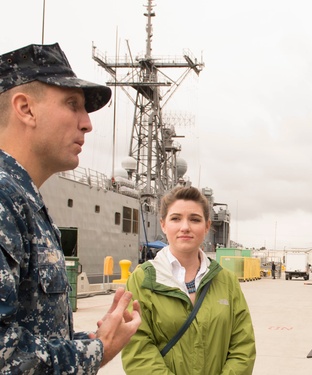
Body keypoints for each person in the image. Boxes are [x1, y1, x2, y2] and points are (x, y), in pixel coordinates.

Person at [0, 43, 142, 373]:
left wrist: (89, 339)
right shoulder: (5, 196)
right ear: (26, 109)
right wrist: (98, 350)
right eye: (72, 104)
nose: (87, 123)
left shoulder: (22, 197)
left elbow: (28, 333)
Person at [121, 186, 256, 374]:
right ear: (163, 224)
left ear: (207, 226)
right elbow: (137, 348)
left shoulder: (226, 281)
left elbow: (243, 346)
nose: (185, 227)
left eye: (194, 219)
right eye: (176, 218)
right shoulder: (142, 279)